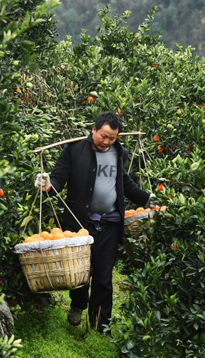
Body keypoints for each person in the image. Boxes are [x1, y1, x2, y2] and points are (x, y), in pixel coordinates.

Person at [35, 111, 153, 334]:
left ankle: (101, 323)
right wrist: (47, 185)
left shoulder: (119, 152)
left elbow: (124, 184)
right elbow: (58, 179)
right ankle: (78, 305)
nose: (107, 142)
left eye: (113, 138)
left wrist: (147, 199)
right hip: (80, 223)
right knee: (80, 272)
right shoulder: (74, 150)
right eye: (104, 136)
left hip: (109, 223)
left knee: (104, 275)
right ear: (93, 129)